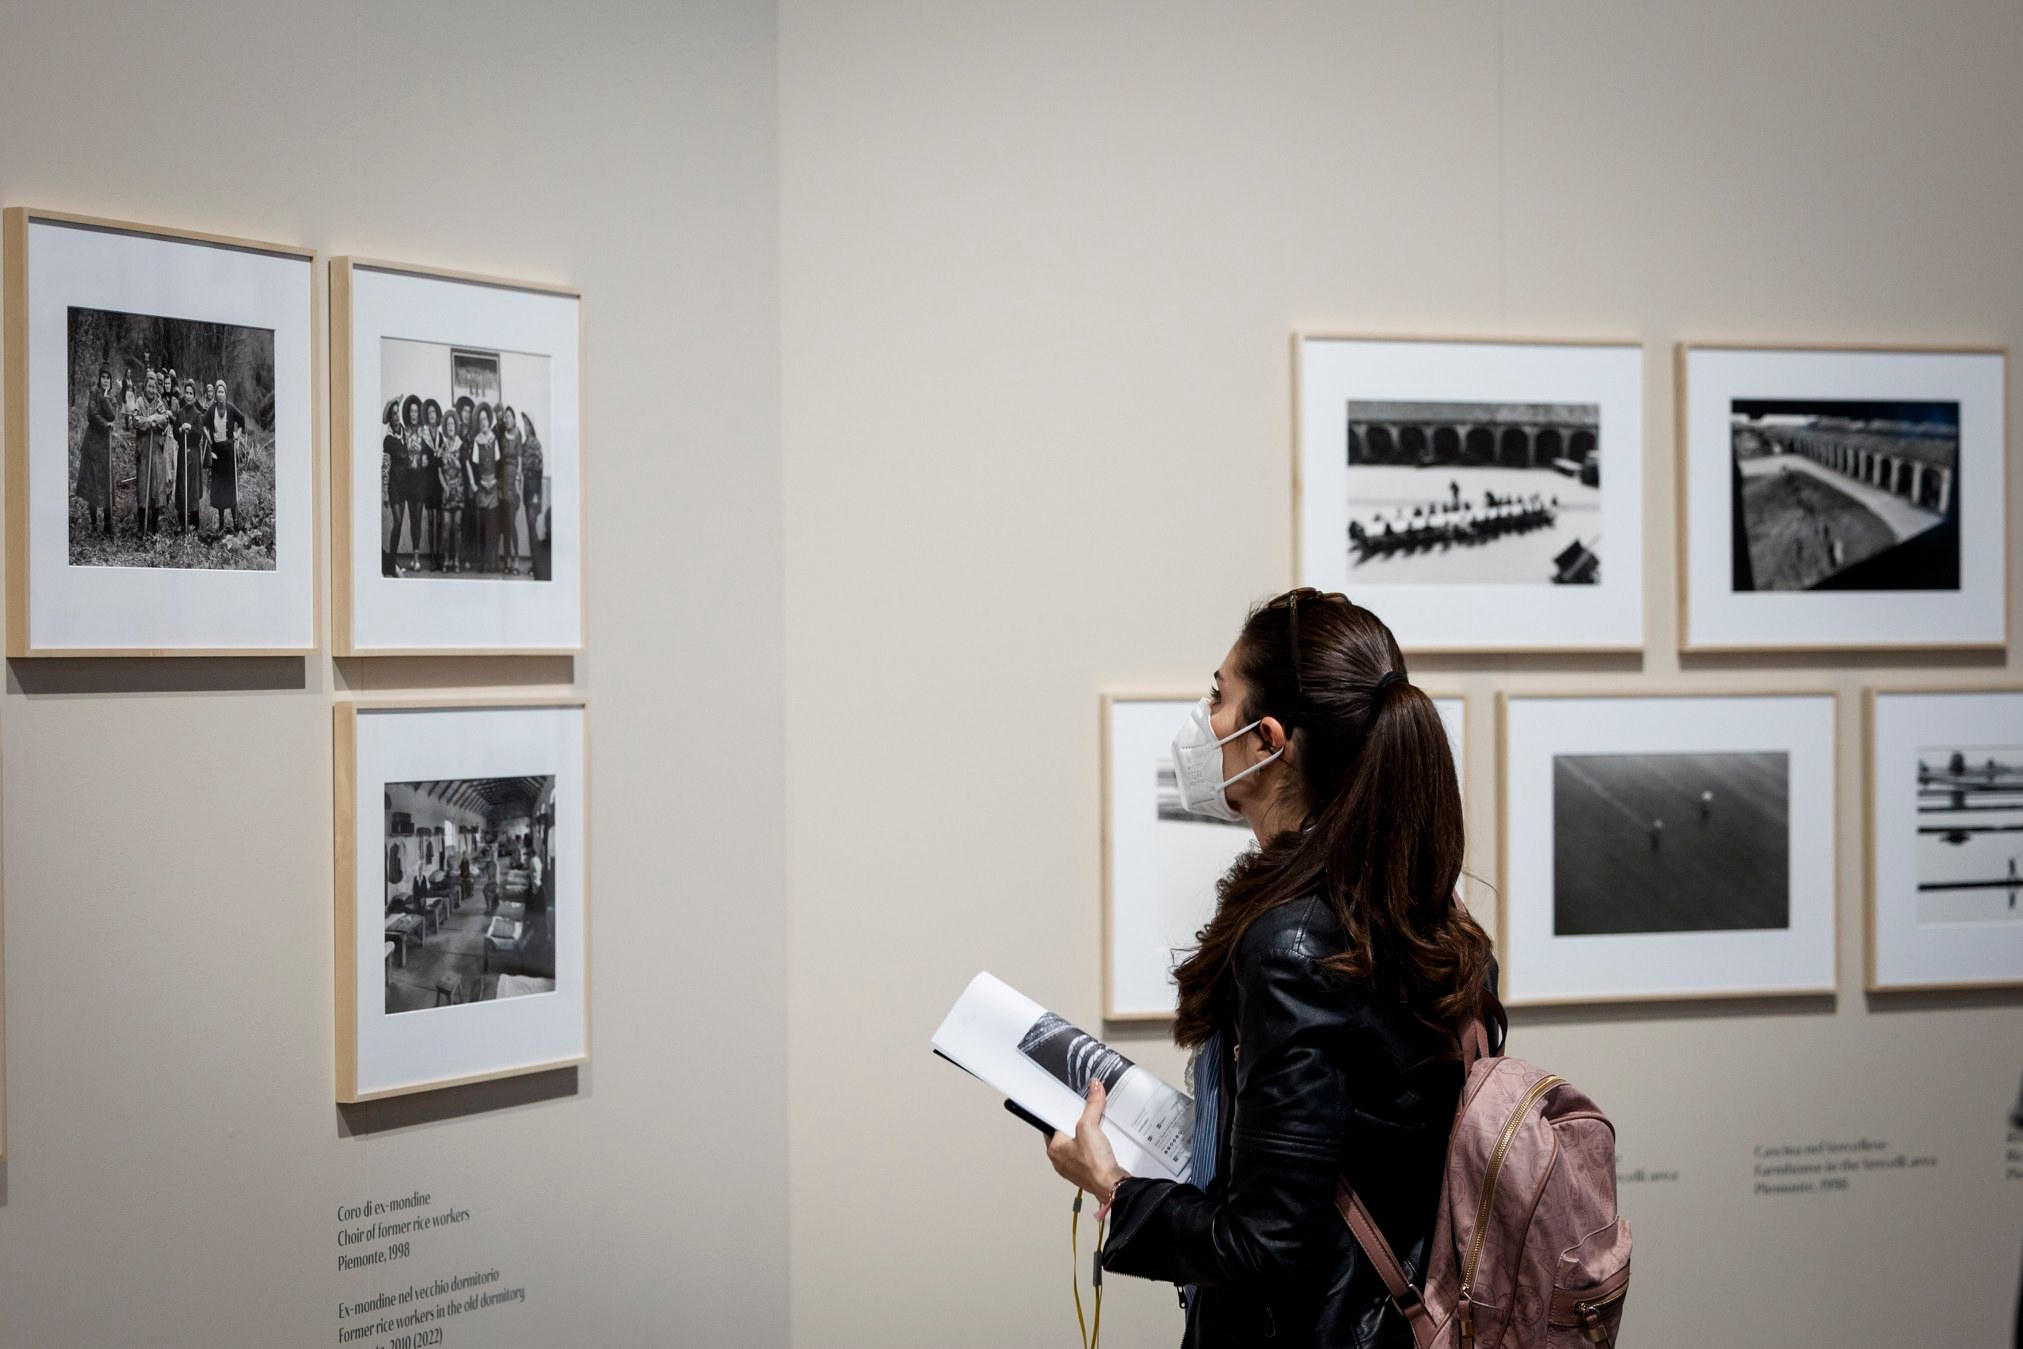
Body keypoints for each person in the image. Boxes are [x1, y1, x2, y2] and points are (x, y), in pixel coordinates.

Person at [1043, 588, 1497, 1348]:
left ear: (1268, 740)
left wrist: (1114, 1188)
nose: (1206, 720)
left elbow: (1270, 1248)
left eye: (1219, 696)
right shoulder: (1428, 912)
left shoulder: (1291, 942)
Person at [129, 370, 174, 535]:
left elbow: (165, 419)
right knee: (143, 487)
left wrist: (157, 419)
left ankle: (154, 526)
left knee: (156, 487)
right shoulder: (139, 402)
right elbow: (135, 420)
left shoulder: (159, 403)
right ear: (145, 386)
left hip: (156, 451)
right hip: (143, 451)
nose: (151, 390)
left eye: (154, 387)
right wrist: (150, 421)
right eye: (149, 386)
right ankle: (142, 525)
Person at [76, 365, 120, 535]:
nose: (105, 380)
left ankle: (108, 524)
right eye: (103, 377)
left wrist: (106, 398)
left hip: (105, 447)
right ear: (99, 378)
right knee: (92, 484)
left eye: (108, 378)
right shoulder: (93, 392)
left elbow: (113, 415)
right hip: (92, 445)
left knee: (107, 482)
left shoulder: (112, 397)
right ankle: (94, 525)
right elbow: (92, 415)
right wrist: (106, 425)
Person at [204, 378, 247, 535]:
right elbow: (203, 424)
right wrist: (210, 441)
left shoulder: (231, 408)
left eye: (222, 391)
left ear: (225, 393)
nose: (220, 394)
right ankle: (221, 525)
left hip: (228, 452)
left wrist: (237, 435)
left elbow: (242, 420)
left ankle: (235, 524)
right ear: (215, 394)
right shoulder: (211, 409)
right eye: (218, 392)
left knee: (231, 487)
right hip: (217, 453)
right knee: (220, 488)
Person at [472, 402, 500, 573]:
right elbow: (474, 465)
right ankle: (482, 562)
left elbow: (498, 462)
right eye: (481, 419)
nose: (483, 422)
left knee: (493, 527)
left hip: (493, 486)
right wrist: (481, 482)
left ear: (489, 421)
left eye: (485, 419)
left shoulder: (494, 439)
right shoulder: (477, 441)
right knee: (482, 527)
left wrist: (495, 480)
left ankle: (493, 562)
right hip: (482, 487)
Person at [497, 404, 522, 574]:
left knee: (512, 524)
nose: (507, 419)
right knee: (505, 524)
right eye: (505, 417)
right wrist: (499, 485)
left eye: (509, 416)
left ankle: (516, 559)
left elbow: (519, 460)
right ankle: (507, 561)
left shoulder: (518, 435)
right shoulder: (502, 438)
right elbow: (500, 463)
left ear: (514, 418)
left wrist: (519, 482)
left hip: (514, 481)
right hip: (503, 480)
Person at [519, 412, 544, 567]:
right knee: (530, 527)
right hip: (528, 487)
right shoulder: (525, 443)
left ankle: (537, 564)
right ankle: (535, 564)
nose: (525, 427)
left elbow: (539, 471)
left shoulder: (535, 444)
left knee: (532, 526)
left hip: (534, 487)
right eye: (525, 424)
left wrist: (536, 495)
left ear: (532, 427)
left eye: (527, 424)